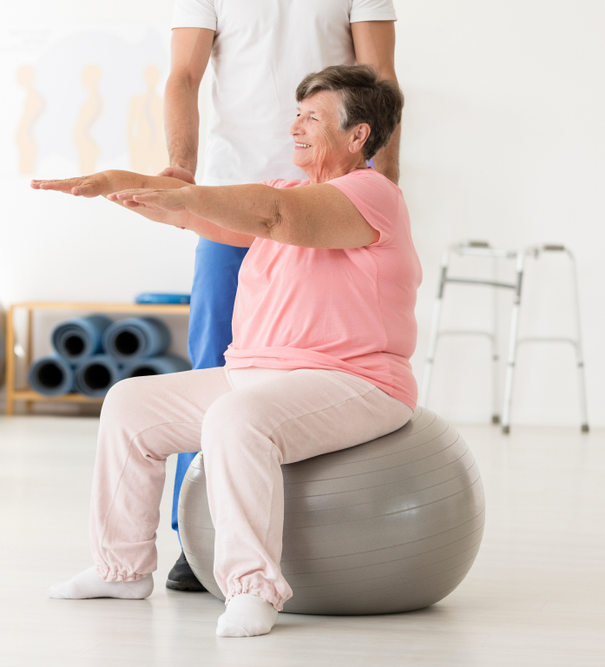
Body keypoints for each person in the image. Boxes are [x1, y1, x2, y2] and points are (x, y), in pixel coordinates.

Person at [32, 65, 418, 637]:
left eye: (312, 117)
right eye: (297, 114)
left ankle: (253, 589)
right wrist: (117, 181)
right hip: (259, 374)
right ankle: (121, 569)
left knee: (236, 419)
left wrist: (180, 191)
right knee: (130, 404)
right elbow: (190, 213)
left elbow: (273, 216)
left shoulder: (371, 194)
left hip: (354, 382)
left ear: (358, 134)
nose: (296, 127)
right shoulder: (288, 191)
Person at [162, 0, 401, 591]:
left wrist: (380, 183)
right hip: (236, 191)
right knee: (215, 368)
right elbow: (183, 75)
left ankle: (296, 532)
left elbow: (382, 78)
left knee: (326, 362)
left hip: (328, 197)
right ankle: (195, 537)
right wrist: (180, 172)